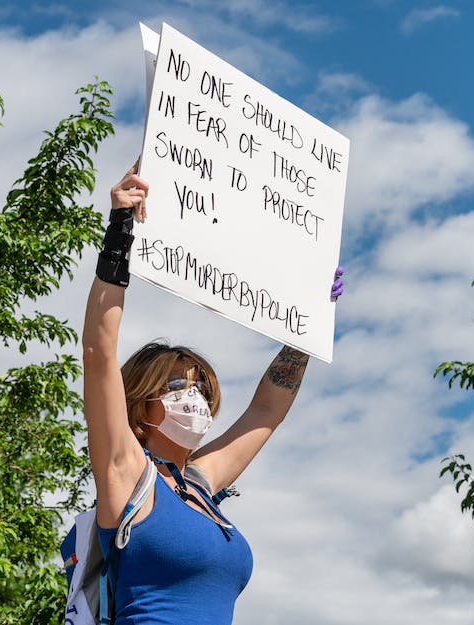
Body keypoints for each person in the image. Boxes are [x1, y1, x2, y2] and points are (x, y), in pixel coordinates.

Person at [82, 164, 343, 624]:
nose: (195, 396)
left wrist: (309, 326)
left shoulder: (200, 485)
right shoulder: (125, 473)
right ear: (140, 406)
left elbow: (266, 409)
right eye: (177, 385)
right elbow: (99, 351)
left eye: (201, 385)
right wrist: (120, 227)